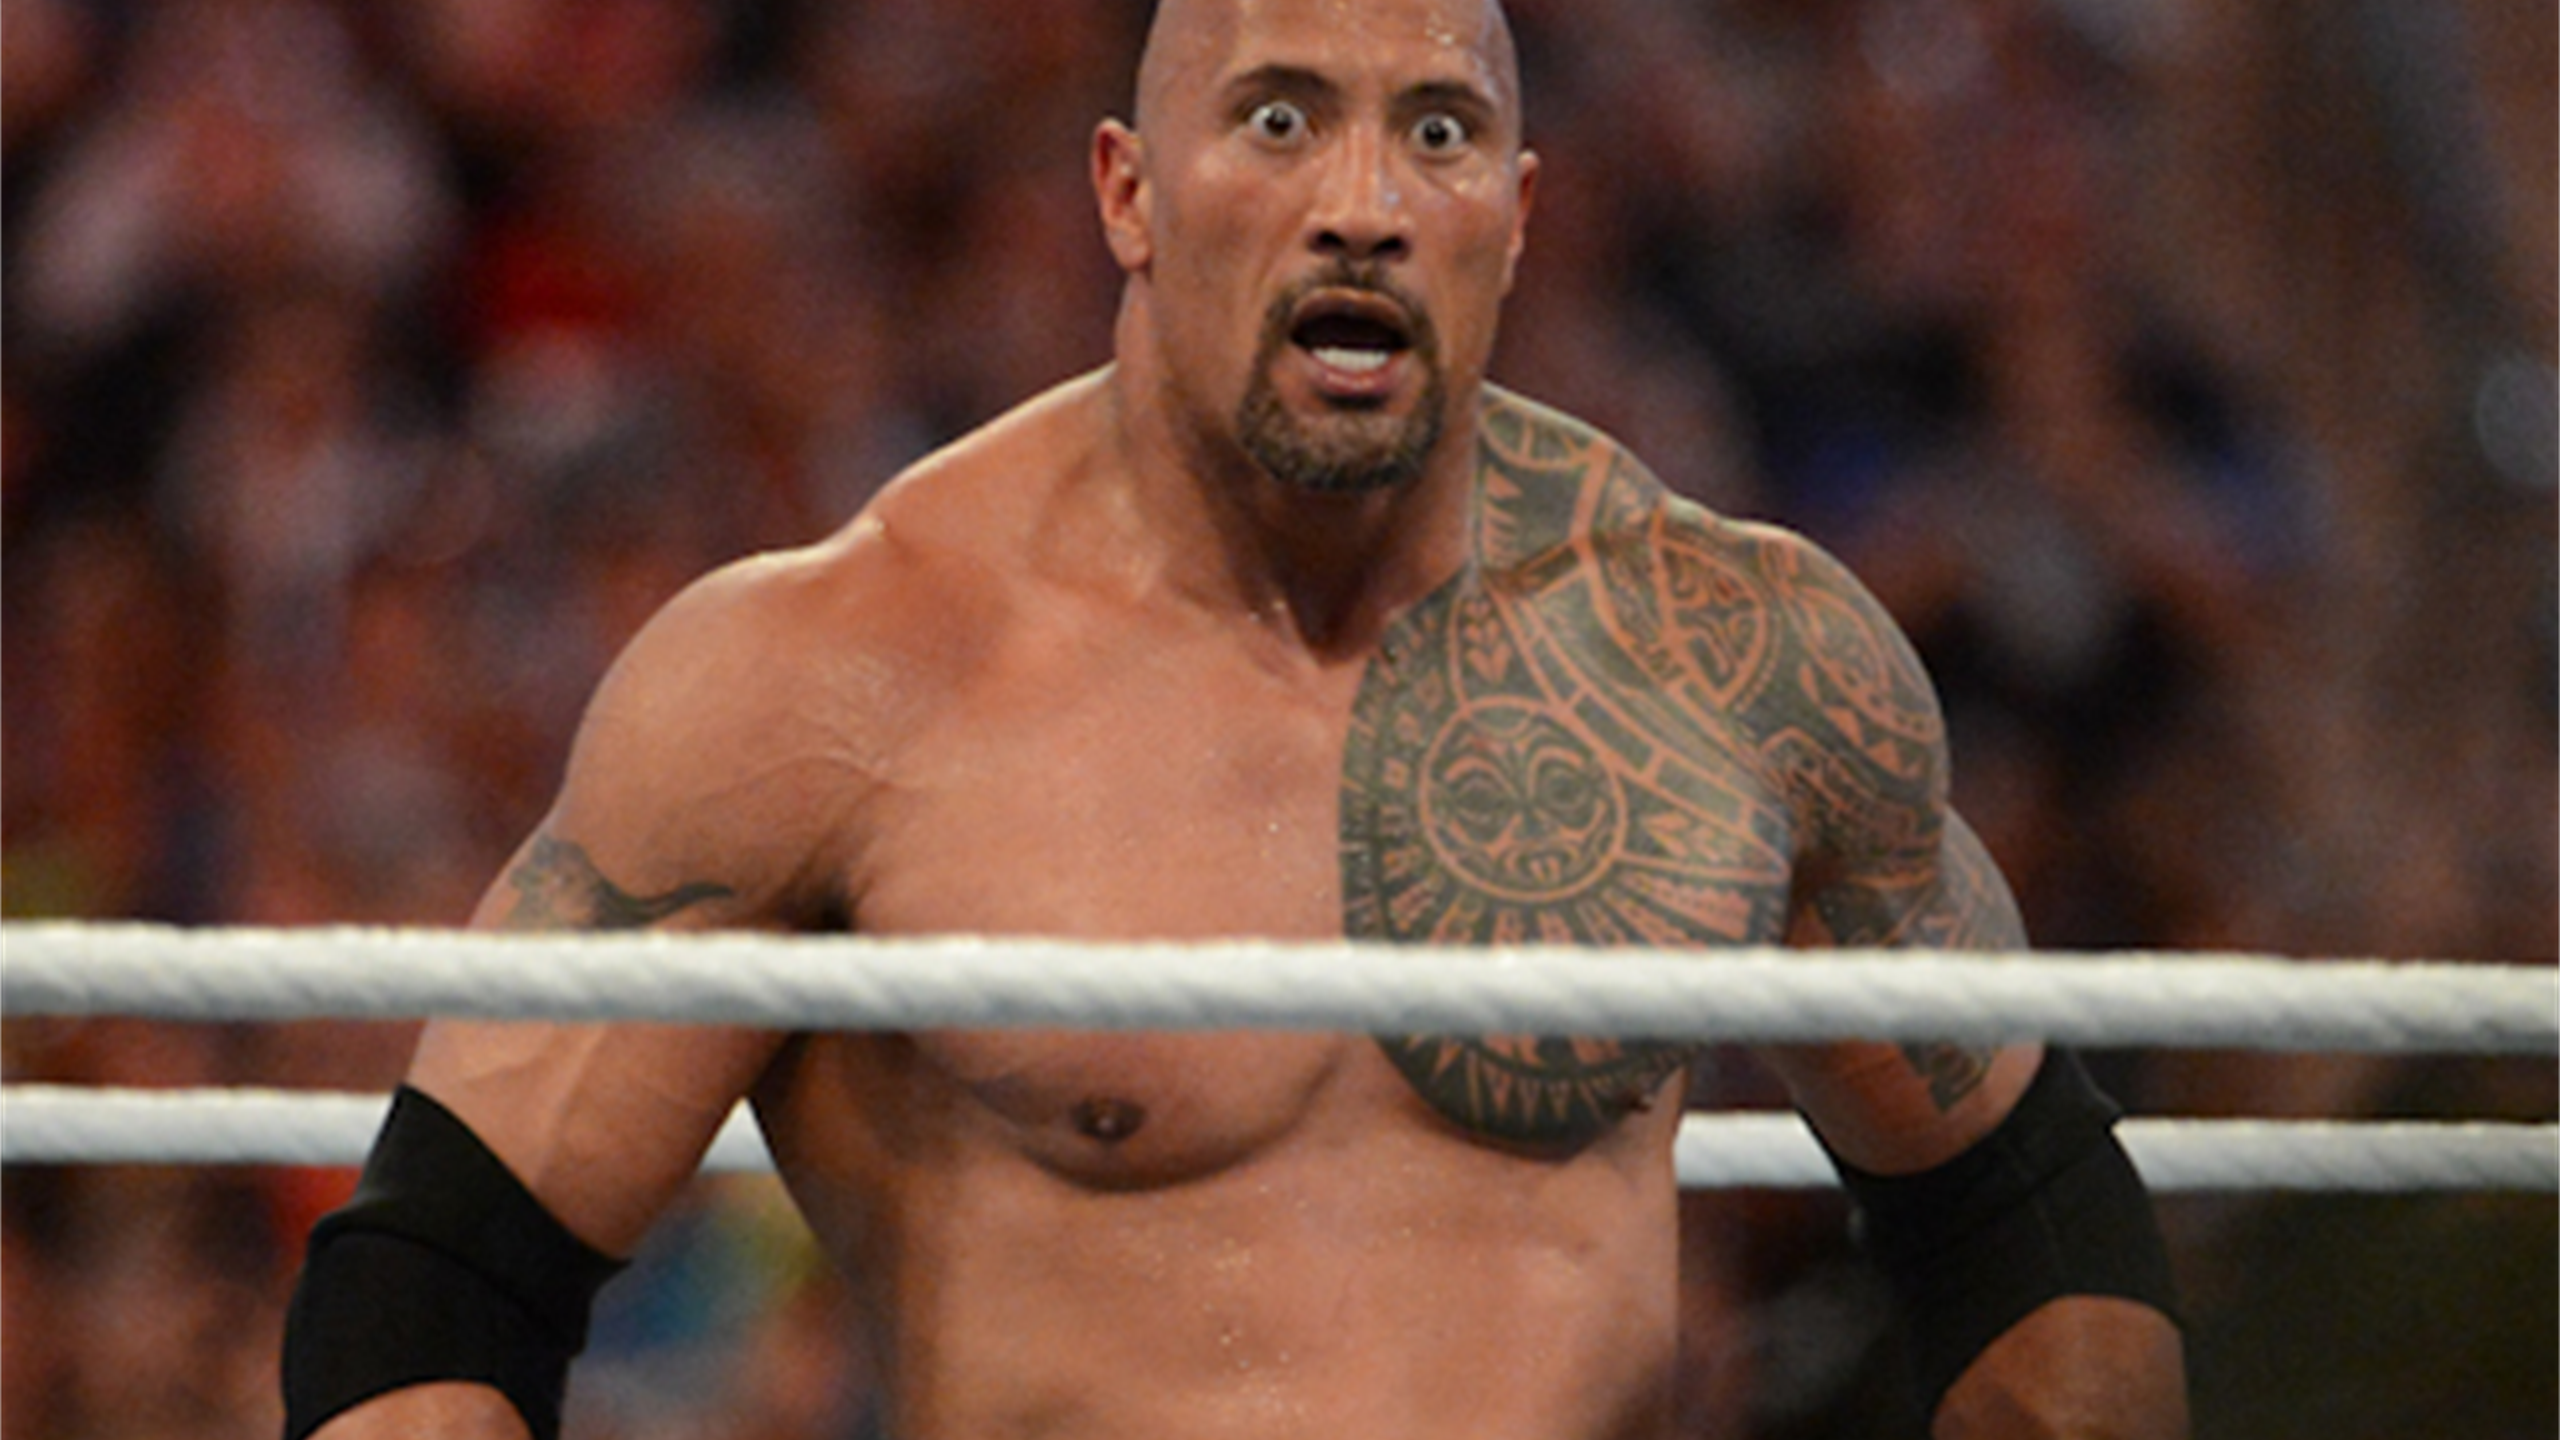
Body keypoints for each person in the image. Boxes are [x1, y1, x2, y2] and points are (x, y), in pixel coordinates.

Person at [281, 1, 2188, 1436]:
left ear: (1516, 215)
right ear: (1127, 190)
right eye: (1279, 120)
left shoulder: (1732, 654)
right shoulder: (834, 677)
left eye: (1437, 134)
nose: (1362, 206)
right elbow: (436, 1286)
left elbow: (2023, 1210)